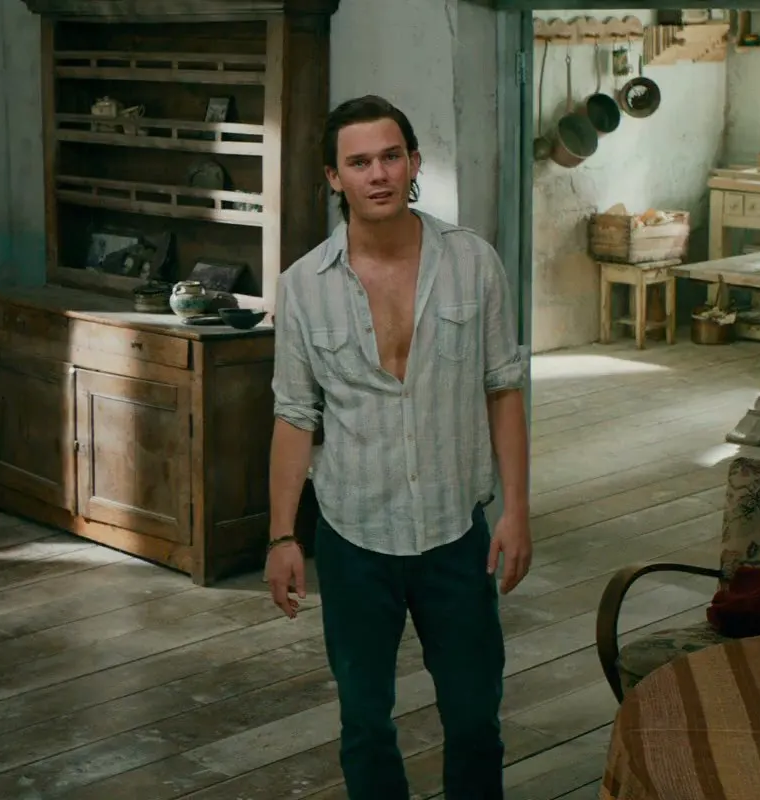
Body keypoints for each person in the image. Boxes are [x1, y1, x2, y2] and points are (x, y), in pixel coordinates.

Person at [263, 94, 532, 800]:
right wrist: (282, 536)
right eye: (359, 162)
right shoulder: (302, 287)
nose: (378, 174)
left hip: (455, 535)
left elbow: (504, 389)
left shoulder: (473, 263)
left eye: (390, 157)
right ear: (334, 177)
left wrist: (517, 510)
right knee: (364, 723)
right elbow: (294, 416)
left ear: (414, 163)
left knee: (474, 719)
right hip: (353, 538)